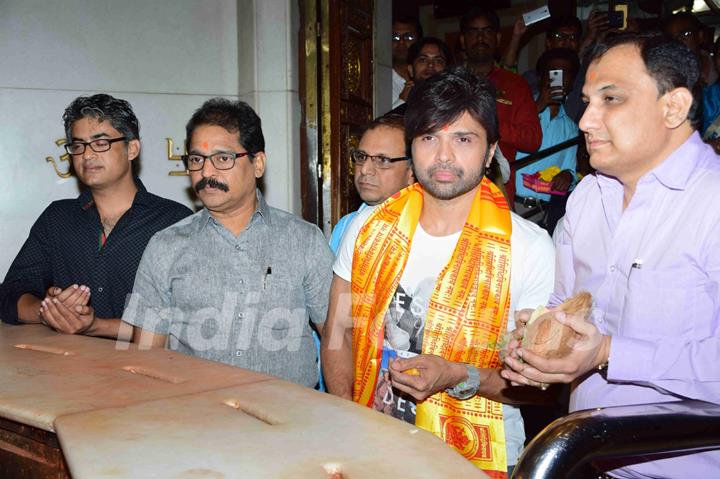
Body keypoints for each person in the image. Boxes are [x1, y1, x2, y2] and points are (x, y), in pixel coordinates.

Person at [502, 33, 720, 478]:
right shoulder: (587, 197)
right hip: (585, 460)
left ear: (673, 107)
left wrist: (607, 352)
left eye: (611, 99)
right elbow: (563, 306)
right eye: (587, 101)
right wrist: (541, 343)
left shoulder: (712, 203)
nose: (586, 121)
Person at [322, 66, 555, 476]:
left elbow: (538, 386)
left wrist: (458, 376)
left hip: (475, 461)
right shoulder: (368, 228)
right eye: (429, 137)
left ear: (489, 152)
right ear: (412, 148)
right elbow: (340, 330)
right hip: (373, 445)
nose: (444, 156)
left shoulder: (529, 247)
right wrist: (345, 420)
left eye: (463, 139)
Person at [123, 98, 333, 388]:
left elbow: (338, 337)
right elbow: (147, 356)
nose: (206, 173)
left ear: (257, 163)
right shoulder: (165, 247)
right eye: (196, 159)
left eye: (223, 158)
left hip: (291, 420)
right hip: (197, 418)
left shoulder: (304, 241)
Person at [0, 94, 191, 339]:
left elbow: (191, 319)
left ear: (132, 148)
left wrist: (95, 325)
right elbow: (10, 294)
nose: (87, 155)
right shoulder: (57, 218)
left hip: (149, 370)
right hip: (66, 370)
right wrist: (51, 312)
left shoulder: (173, 221)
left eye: (101, 143)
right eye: (78, 145)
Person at [459, 7, 541, 202]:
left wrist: (487, 125)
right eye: (473, 32)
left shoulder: (515, 84)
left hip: (499, 192)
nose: (480, 38)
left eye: (486, 32)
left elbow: (533, 140)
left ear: (497, 38)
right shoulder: (450, 81)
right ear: (463, 40)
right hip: (453, 188)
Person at [515, 48, 580, 233]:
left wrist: (568, 175)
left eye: (564, 74)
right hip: (511, 204)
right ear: (541, 78)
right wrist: (537, 107)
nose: (558, 78)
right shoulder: (521, 111)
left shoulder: (571, 128)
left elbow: (570, 168)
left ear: (572, 82)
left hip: (545, 211)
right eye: (552, 73)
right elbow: (504, 143)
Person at [329, 113, 413, 252]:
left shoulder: (430, 229)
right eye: (361, 157)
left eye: (382, 160)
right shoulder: (345, 225)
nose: (365, 169)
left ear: (412, 172)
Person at [502, 15, 582, 95]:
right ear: (549, 43)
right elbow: (507, 79)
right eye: (560, 36)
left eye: (573, 37)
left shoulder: (585, 77)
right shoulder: (532, 78)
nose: (567, 41)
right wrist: (516, 37)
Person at [392, 16, 422, 109]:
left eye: (408, 37)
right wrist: (401, 101)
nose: (401, 42)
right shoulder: (378, 80)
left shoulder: (427, 75)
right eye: (395, 37)